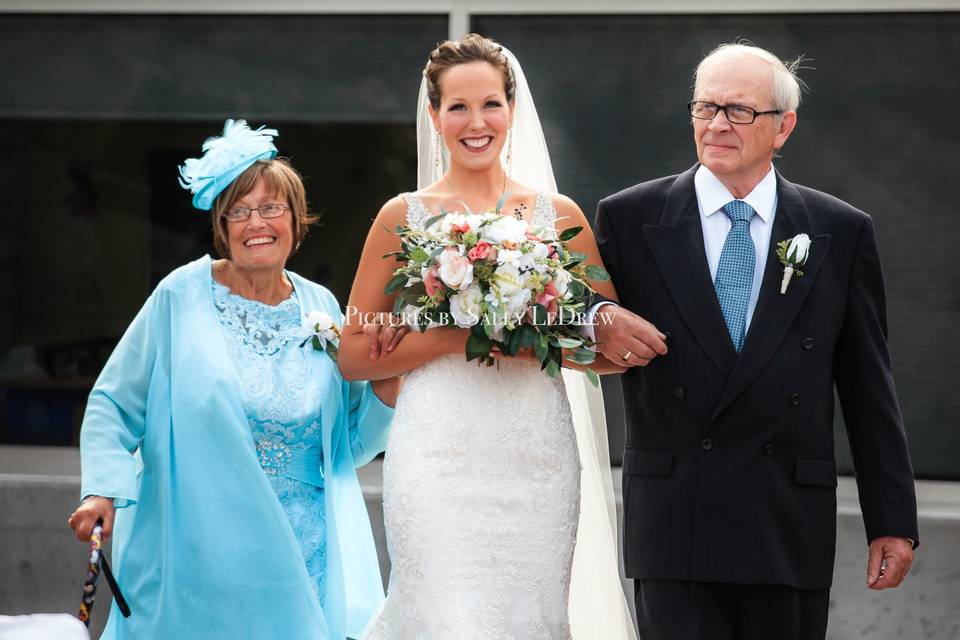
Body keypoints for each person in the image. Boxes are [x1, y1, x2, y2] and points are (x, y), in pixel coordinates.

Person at [591, 43, 919, 639]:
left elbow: (871, 389)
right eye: (705, 107)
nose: (716, 124)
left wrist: (891, 520)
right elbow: (571, 306)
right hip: (676, 520)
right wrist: (598, 318)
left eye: (738, 111)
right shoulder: (628, 218)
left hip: (785, 522)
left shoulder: (839, 231)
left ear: (783, 127)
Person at [339, 34, 637, 639]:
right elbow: (353, 352)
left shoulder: (559, 217)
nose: (477, 123)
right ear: (434, 116)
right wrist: (455, 336)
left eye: (490, 105)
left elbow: (605, 352)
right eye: (458, 107)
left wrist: (550, 332)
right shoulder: (404, 216)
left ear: (512, 109)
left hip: (535, 456)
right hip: (437, 454)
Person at [67, 120, 402, 639]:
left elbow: (348, 445)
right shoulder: (179, 295)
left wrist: (387, 392)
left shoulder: (323, 307)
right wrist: (102, 492)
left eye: (271, 208)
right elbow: (115, 402)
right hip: (201, 546)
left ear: (296, 218)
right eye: (239, 212)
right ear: (222, 227)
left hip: (302, 551)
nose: (256, 223)